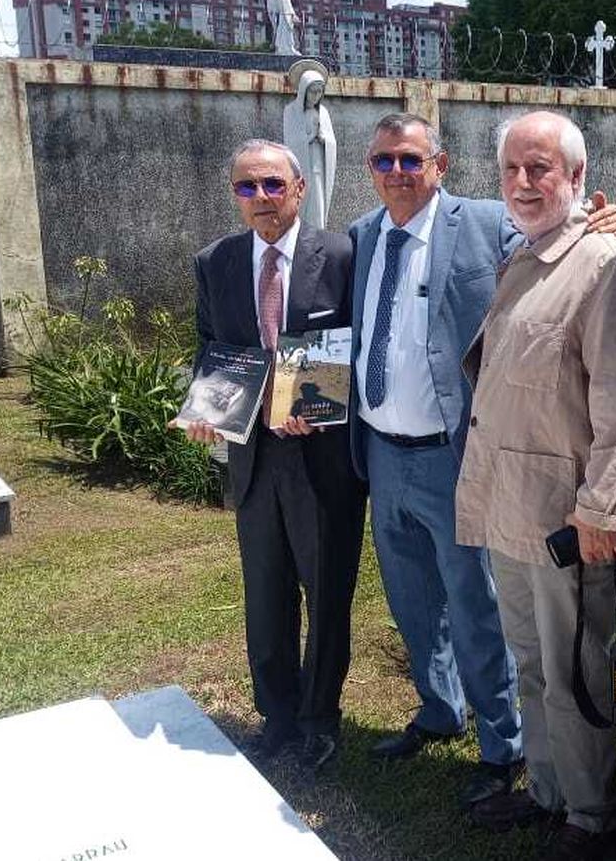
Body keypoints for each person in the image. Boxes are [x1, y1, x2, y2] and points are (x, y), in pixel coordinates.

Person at [346, 113, 616, 811]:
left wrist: (611, 223)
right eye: (383, 161)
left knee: (515, 632)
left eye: (411, 160)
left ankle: (542, 777)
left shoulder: (509, 233)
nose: (396, 174)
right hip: (422, 461)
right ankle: (484, 745)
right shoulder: (368, 237)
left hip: (501, 476)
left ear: (439, 165)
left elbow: (615, 391)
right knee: (461, 623)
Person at [455, 111, 616, 860]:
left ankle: (592, 811)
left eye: (541, 169)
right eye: (511, 169)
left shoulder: (604, 265)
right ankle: (547, 790)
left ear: (576, 178)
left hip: (565, 517)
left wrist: (602, 506)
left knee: (577, 667)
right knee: (532, 661)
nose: (524, 183)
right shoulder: (528, 256)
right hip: (510, 503)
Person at [182, 139, 367, 773]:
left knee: (325, 590)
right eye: (246, 187)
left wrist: (314, 400)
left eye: (271, 185)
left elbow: (355, 339)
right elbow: (213, 344)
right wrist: (210, 409)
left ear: (299, 188)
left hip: (322, 458)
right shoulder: (216, 262)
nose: (259, 198)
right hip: (254, 459)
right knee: (264, 592)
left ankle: (320, 719)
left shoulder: (341, 254)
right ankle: (278, 716)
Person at [283, 68, 336, 230]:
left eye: (320, 92)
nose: (316, 96)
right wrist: (309, 137)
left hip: (319, 165)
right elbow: (290, 142)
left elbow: (332, 142)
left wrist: (323, 139)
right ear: (304, 90)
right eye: (313, 92)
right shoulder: (291, 111)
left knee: (317, 203)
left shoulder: (323, 112)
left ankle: (318, 232)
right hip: (301, 166)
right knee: (301, 200)